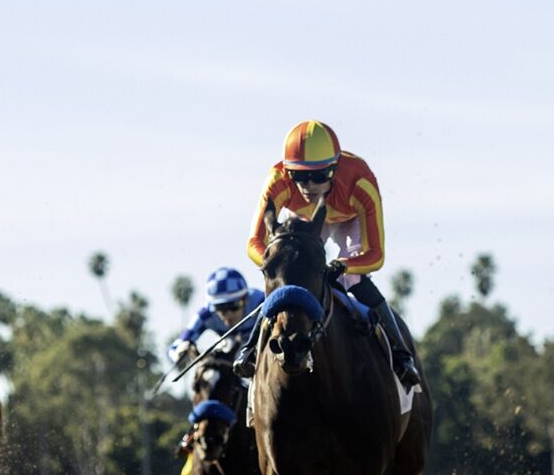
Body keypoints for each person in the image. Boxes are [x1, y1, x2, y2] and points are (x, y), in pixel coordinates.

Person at [232, 120, 421, 386]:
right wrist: (274, 264)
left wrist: (344, 265)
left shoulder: (360, 183)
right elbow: (254, 242)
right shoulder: (276, 181)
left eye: (319, 176)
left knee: (353, 280)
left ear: (334, 168)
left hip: (350, 219)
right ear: (288, 172)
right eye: (299, 176)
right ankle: (250, 350)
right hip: (305, 220)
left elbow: (376, 255)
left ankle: (401, 354)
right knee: (288, 279)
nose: (308, 185)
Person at [167, 267, 264, 366]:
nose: (228, 314)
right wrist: (179, 353)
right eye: (220, 307)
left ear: (246, 298)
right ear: (212, 305)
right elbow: (173, 349)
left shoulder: (261, 302)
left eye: (234, 305)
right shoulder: (206, 314)